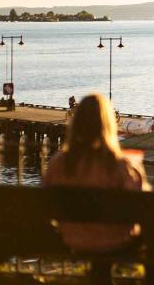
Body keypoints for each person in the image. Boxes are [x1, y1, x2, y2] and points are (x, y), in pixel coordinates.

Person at [43, 94, 148, 257]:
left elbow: (46, 204)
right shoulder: (121, 166)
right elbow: (142, 207)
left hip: (73, 240)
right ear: (108, 125)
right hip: (117, 242)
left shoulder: (59, 164)